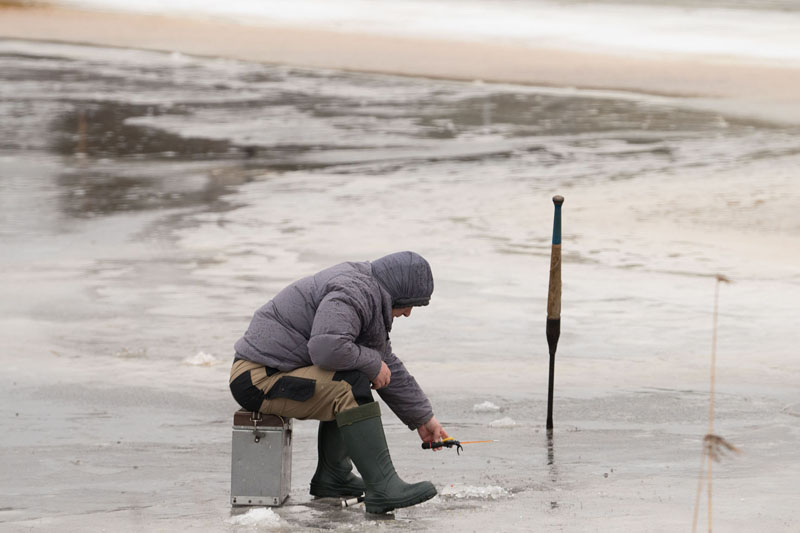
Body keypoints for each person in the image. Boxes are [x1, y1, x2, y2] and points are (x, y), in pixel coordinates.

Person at [229, 251, 448, 514]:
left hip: (273, 372)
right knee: (349, 383)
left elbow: (386, 365)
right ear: (396, 292)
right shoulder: (354, 291)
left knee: (356, 372)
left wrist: (425, 419)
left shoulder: (369, 294)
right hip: (257, 379)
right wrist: (372, 363)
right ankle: (383, 487)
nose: (408, 313)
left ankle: (333, 476)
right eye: (410, 304)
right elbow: (325, 348)